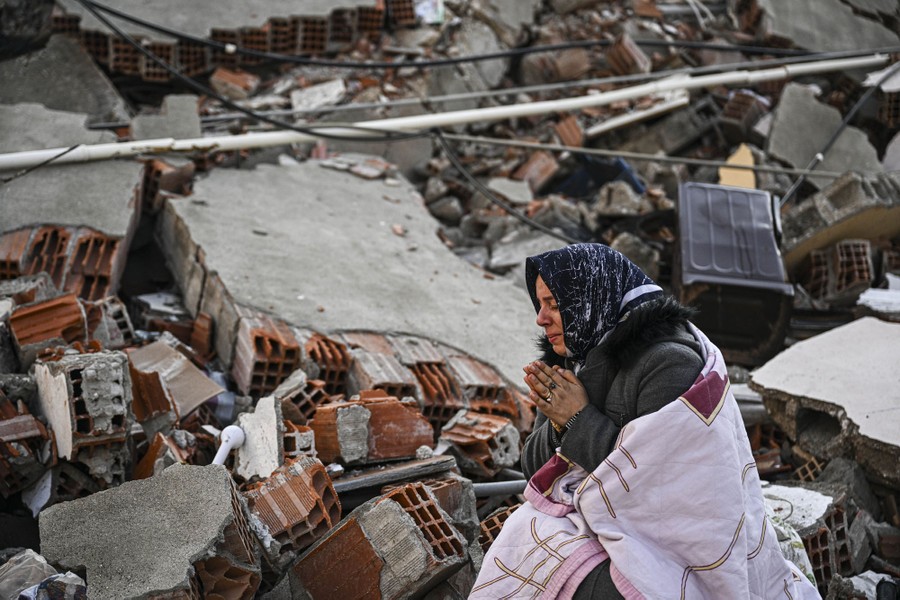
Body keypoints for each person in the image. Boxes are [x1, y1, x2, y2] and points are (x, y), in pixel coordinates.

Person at [469, 244, 820, 599]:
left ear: (594, 299)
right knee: (519, 537)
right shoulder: (579, 358)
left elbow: (659, 489)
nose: (540, 319)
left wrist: (577, 418)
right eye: (540, 304)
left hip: (678, 543)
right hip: (607, 520)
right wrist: (560, 421)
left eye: (555, 305)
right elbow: (535, 474)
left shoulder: (669, 364)